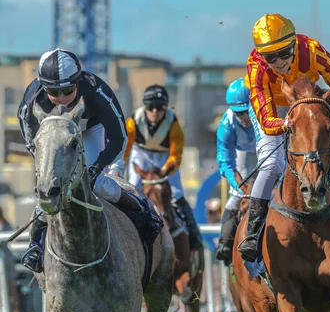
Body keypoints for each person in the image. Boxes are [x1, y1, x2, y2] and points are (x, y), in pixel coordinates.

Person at [238, 13, 330, 262]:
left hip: (308, 105)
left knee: (327, 160)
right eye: (270, 57)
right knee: (272, 164)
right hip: (275, 110)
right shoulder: (256, 66)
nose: (278, 62)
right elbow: (266, 120)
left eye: (284, 53)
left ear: (294, 44)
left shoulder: (313, 51)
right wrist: (289, 122)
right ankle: (252, 233)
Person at [18, 48, 150, 273]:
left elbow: (119, 137)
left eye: (67, 91)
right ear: (43, 86)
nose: (61, 98)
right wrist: (51, 169)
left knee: (95, 184)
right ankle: (36, 245)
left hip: (89, 131)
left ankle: (140, 211)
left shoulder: (97, 92)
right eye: (53, 92)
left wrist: (97, 167)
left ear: (78, 82)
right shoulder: (31, 101)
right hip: (52, 137)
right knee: (48, 188)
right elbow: (33, 143)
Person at [124, 84, 203, 250]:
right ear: (145, 107)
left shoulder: (173, 124)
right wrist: (118, 167)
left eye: (160, 108)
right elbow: (126, 148)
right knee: (133, 186)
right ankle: (126, 227)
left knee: (176, 193)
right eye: (151, 107)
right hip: (141, 153)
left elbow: (176, 155)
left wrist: (164, 171)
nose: (155, 111)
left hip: (165, 157)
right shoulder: (133, 121)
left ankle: (194, 235)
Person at [215, 77, 256, 262]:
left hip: (267, 151)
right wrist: (241, 187)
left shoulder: (266, 114)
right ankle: (225, 244)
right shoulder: (226, 124)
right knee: (234, 199)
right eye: (238, 113)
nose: (243, 118)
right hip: (241, 156)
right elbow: (225, 163)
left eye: (246, 112)